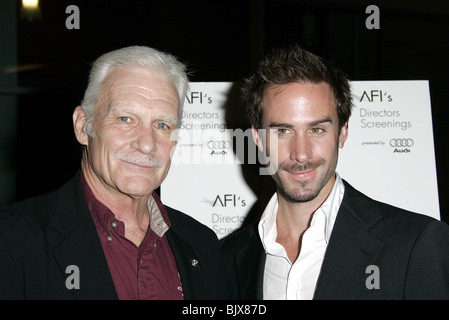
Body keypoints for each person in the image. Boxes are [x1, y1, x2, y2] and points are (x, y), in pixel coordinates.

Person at [221, 44, 449, 300]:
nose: (301, 154)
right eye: (283, 131)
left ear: (342, 132)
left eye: (317, 130)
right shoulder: (226, 257)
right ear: (258, 139)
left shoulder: (415, 244)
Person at [0, 46, 226, 300]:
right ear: (83, 126)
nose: (147, 144)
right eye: (125, 119)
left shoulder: (201, 244)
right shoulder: (13, 240)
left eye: (162, 125)